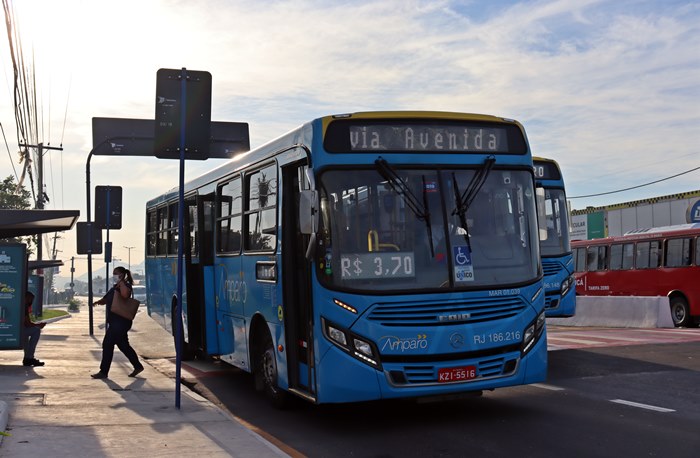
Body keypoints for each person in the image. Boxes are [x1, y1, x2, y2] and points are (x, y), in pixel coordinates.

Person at [91, 266, 144, 379]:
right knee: (123, 345)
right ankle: (138, 366)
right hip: (115, 321)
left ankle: (103, 371)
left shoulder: (125, 285)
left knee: (107, 344)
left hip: (121, 322)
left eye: (116, 273)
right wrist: (99, 302)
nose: (114, 275)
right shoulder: (115, 287)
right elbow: (108, 299)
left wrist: (122, 282)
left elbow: (125, 295)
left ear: (121, 274)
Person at [23, 291, 46, 367]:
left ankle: (27, 358)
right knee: (36, 331)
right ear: (26, 298)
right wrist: (38, 325)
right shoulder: (24, 307)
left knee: (26, 337)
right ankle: (29, 357)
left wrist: (36, 324)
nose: (31, 301)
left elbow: (28, 323)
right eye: (30, 299)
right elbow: (28, 324)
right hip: (19, 331)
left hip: (20, 329)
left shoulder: (23, 306)